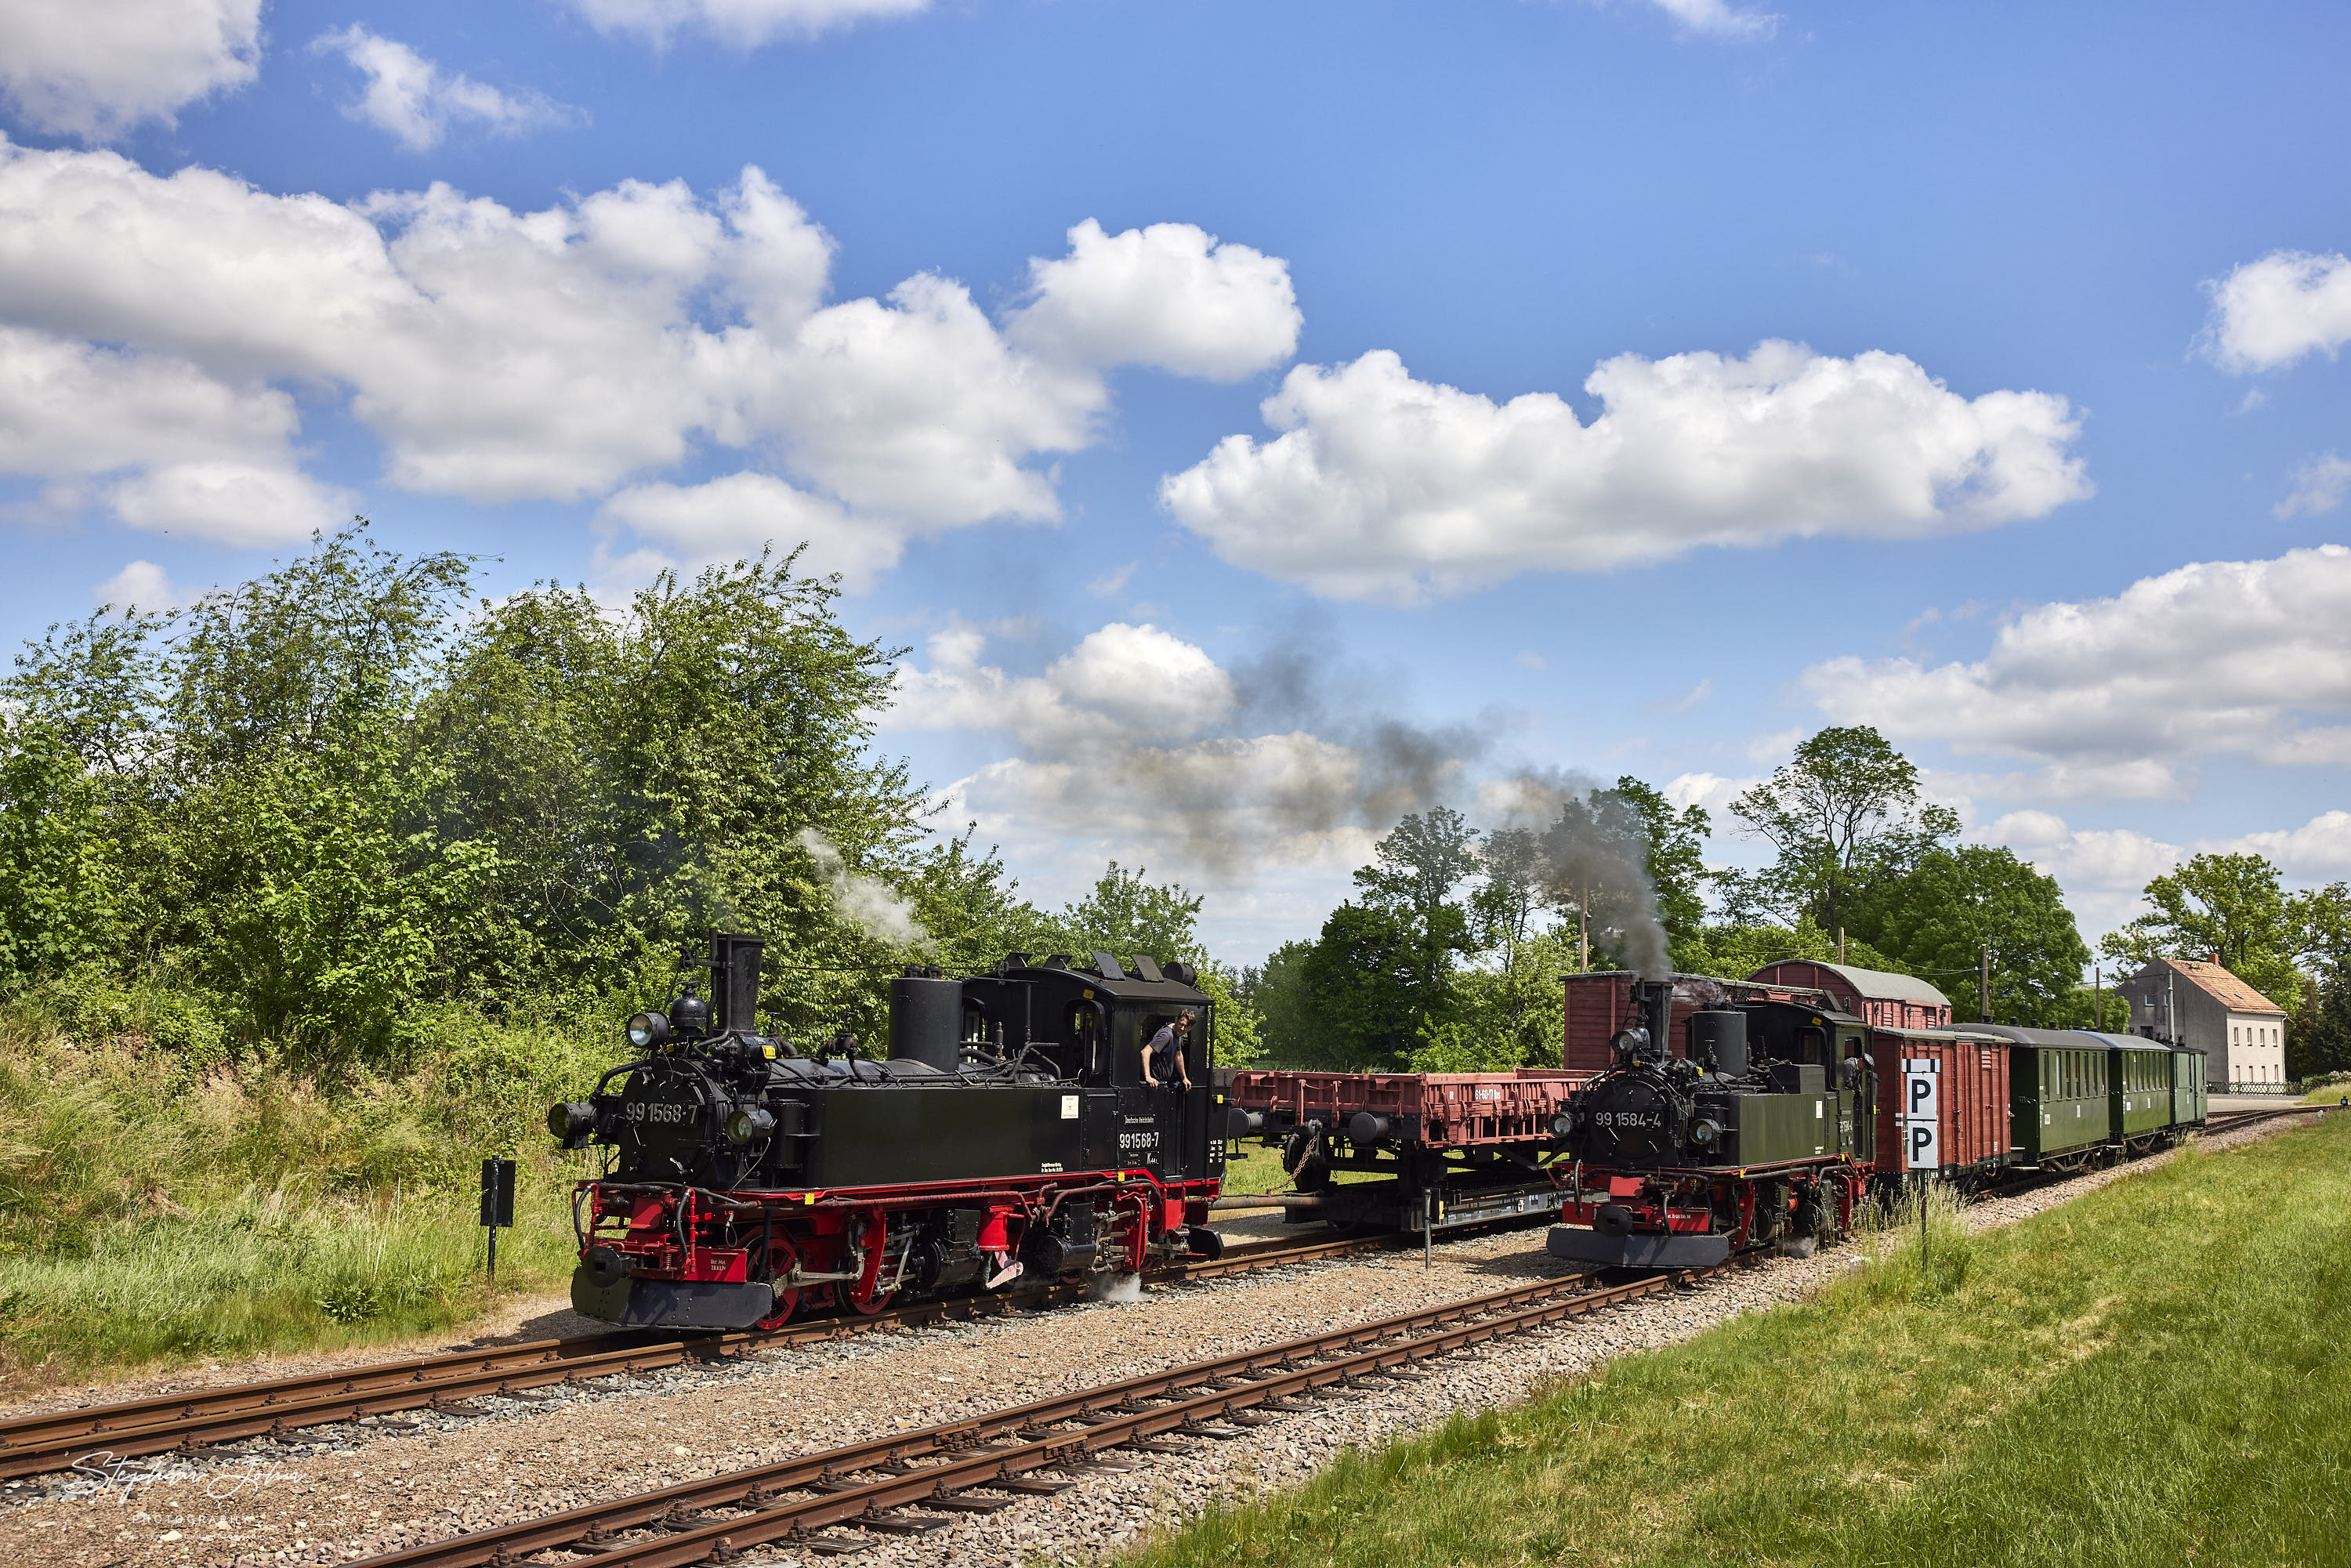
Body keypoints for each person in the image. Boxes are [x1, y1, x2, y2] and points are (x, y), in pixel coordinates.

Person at [1142, 1013, 1193, 1092]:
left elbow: (1178, 1055)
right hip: (1153, 1084)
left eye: (1186, 1026)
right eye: (1181, 1024)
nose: (1182, 1028)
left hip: (1161, 1083)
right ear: (1177, 1021)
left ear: (1190, 1028)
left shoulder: (1178, 1035)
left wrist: (1184, 1078)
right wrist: (1148, 1077)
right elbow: (1145, 1052)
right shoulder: (1167, 1035)